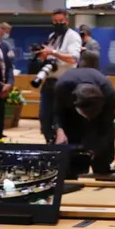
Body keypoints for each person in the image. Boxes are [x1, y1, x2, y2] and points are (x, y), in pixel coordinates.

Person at [53, 51, 115, 178]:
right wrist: (59, 130)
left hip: (100, 118)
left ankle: (102, 168)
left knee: (102, 145)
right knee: (71, 151)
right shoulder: (63, 86)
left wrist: (97, 148)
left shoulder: (108, 91)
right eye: (86, 114)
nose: (87, 118)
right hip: (70, 116)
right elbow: (57, 111)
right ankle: (72, 171)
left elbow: (107, 125)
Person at [36, 9, 82, 143]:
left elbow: (73, 59)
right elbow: (50, 56)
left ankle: (62, 147)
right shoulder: (52, 36)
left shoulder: (73, 36)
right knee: (44, 117)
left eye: (60, 21)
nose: (57, 23)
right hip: (49, 81)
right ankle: (50, 143)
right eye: (55, 21)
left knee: (59, 118)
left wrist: (53, 52)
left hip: (64, 82)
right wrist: (43, 55)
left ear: (67, 21)